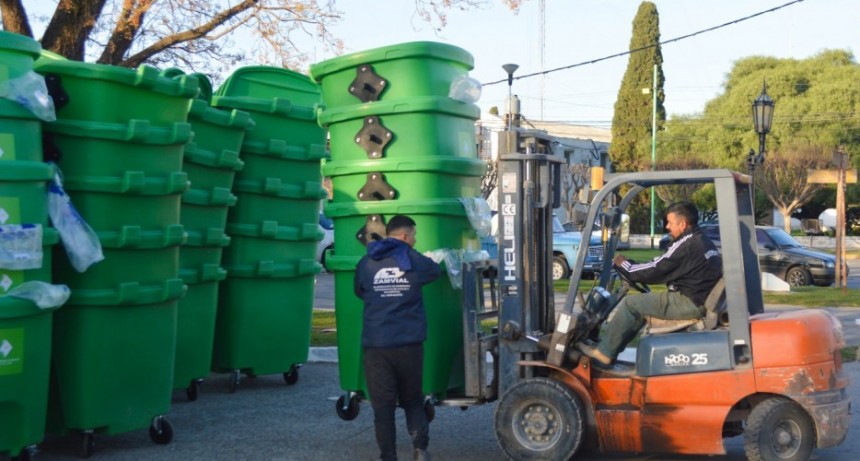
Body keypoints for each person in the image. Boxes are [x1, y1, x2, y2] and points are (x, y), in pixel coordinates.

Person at [577, 201, 723, 366]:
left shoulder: (687, 244)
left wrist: (624, 265)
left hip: (690, 301)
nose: (667, 226)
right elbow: (661, 264)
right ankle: (610, 349)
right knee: (643, 303)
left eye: (670, 223)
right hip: (698, 297)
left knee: (632, 304)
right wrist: (631, 267)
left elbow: (656, 269)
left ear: (682, 224)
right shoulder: (701, 240)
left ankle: (603, 353)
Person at [354, 215, 441, 461]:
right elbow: (435, 272)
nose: (415, 240)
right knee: (412, 400)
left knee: (383, 408)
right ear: (404, 236)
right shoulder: (414, 259)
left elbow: (359, 291)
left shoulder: (366, 261)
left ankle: (388, 456)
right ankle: (420, 450)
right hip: (408, 345)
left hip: (376, 345)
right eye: (414, 235)